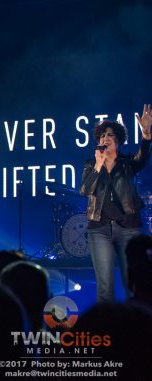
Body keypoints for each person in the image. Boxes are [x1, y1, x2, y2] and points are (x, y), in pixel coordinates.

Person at [80, 105, 152, 303]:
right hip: (99, 228)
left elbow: (142, 157)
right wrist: (98, 166)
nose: (105, 138)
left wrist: (146, 135)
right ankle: (107, 331)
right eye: (102, 136)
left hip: (128, 227)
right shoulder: (91, 165)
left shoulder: (127, 164)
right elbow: (85, 190)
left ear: (118, 141)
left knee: (134, 283)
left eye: (110, 135)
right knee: (105, 288)